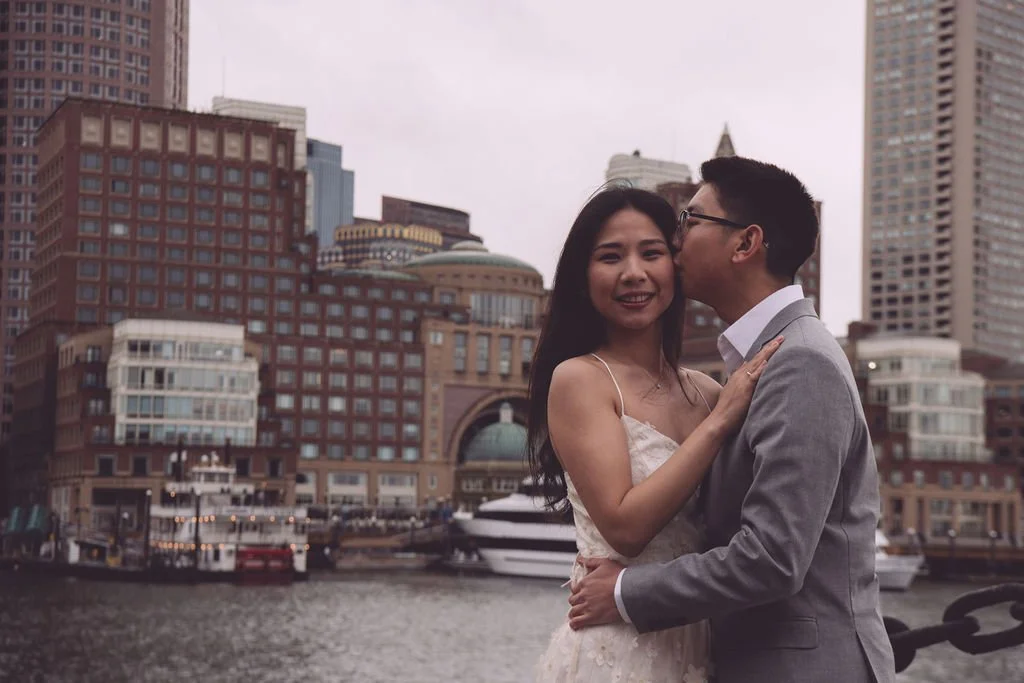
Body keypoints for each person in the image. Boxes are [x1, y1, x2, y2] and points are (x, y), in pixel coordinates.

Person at [568, 157, 896, 683]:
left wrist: (626, 591)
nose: (678, 240)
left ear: (745, 244)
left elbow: (773, 557)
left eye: (692, 222)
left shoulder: (800, 361)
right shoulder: (748, 365)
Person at [528, 186, 782, 682]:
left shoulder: (709, 392)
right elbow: (624, 526)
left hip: (703, 641)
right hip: (617, 646)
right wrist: (718, 425)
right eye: (609, 257)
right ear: (583, 278)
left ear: (676, 265)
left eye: (651, 253)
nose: (633, 274)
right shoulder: (581, 378)